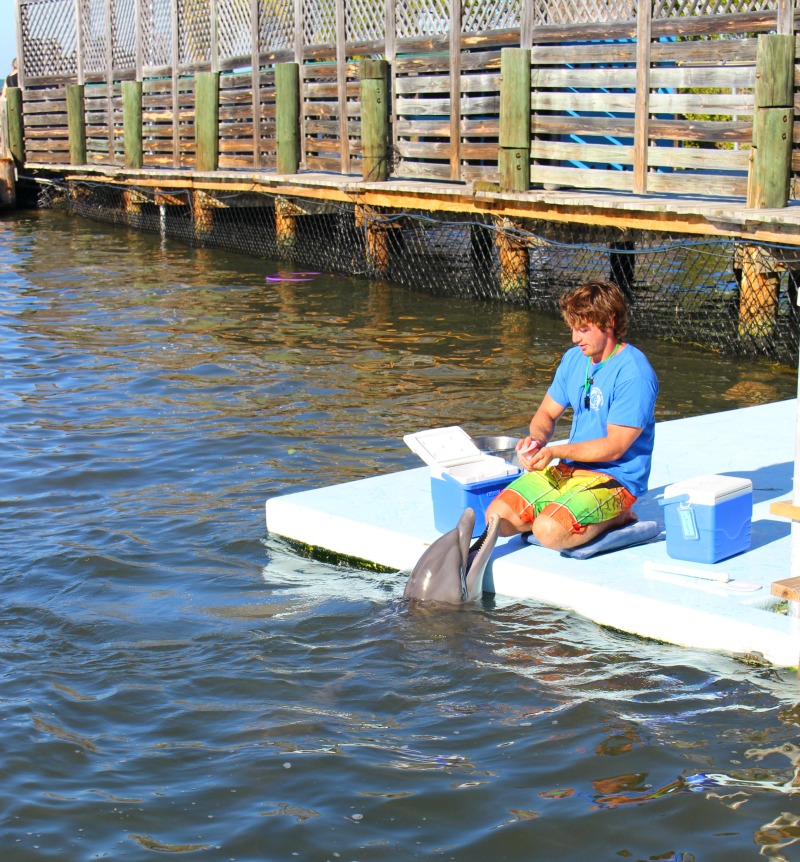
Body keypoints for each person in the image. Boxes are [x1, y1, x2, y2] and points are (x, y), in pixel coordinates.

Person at [484, 279, 659, 552]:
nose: (575, 338)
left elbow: (614, 448)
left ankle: (618, 516)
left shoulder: (634, 373)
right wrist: (536, 441)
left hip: (615, 479)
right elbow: (546, 413)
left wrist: (555, 452)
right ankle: (563, 511)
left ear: (610, 321)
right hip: (570, 469)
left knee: (548, 531)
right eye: (573, 329)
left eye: (583, 330)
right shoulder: (574, 359)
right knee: (497, 520)